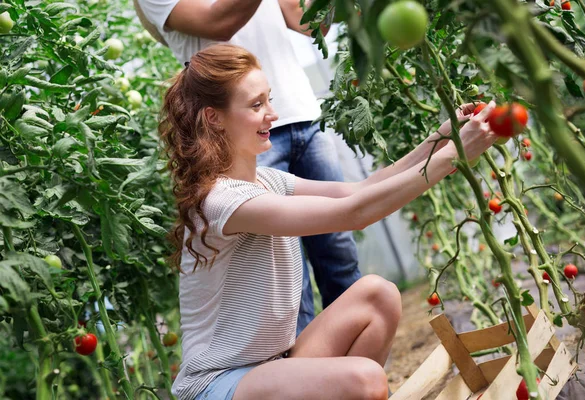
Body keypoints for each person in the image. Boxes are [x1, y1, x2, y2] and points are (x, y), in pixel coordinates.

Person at [159, 44, 498, 400]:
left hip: (273, 366)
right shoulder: (223, 200)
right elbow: (355, 213)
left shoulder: (269, 181)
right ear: (214, 118)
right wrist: (455, 157)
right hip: (219, 384)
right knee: (366, 380)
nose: (272, 115)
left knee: (378, 295)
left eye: (269, 100)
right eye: (257, 105)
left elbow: (361, 190)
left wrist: (442, 139)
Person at [137, 0, 360, 336]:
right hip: (241, 138)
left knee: (339, 252)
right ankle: (304, 380)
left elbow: (311, 23)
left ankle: (362, 368)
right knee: (286, 281)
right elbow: (218, 22)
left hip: (300, 113)